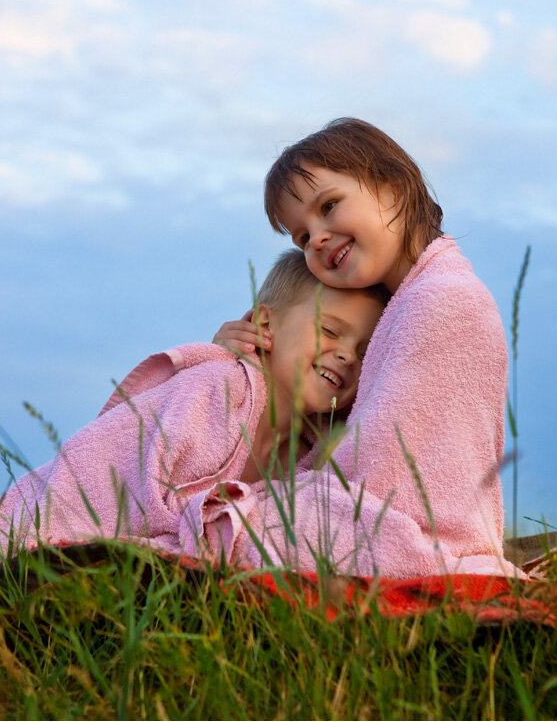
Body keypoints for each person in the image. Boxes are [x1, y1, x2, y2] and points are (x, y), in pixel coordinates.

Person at [0, 250, 387, 646]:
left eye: (365, 351)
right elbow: (119, 469)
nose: (346, 355)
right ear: (263, 324)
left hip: (134, 574)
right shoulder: (221, 389)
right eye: (331, 331)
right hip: (60, 518)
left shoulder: (312, 448)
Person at [214, 117, 520, 579]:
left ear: (393, 187)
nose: (315, 238)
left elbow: (385, 483)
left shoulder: (442, 301)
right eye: (301, 237)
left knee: (223, 522)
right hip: (380, 521)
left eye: (329, 205)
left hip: (412, 534)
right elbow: (345, 434)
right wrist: (244, 364)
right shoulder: (401, 305)